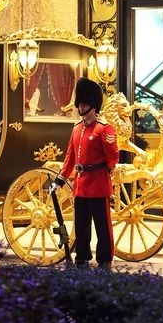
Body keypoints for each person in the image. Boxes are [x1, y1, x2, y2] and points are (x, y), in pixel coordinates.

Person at [52, 77, 119, 269]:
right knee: (81, 225)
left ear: (93, 105)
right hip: (81, 185)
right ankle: (82, 256)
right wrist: (60, 180)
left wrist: (106, 170)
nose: (81, 107)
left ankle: (104, 258)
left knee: (102, 225)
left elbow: (113, 157)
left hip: (98, 183)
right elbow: (70, 158)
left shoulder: (104, 129)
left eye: (84, 103)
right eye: (80, 103)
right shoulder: (77, 129)